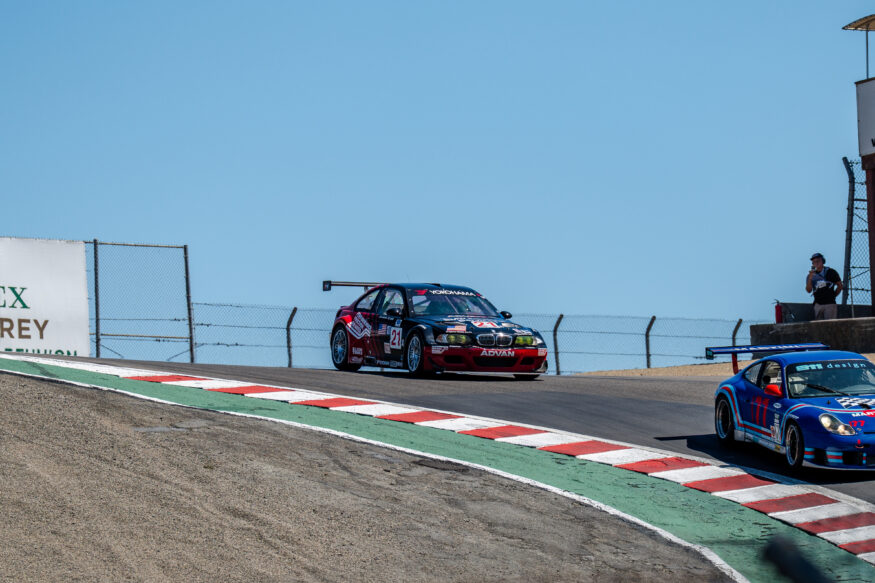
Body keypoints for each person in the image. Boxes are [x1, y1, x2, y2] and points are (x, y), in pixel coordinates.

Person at [805, 252, 843, 320]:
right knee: (818, 327)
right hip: (818, 304)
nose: (816, 263)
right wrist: (810, 278)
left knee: (830, 326)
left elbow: (840, 286)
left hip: (830, 304)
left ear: (823, 261)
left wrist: (833, 296)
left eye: (818, 261)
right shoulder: (810, 275)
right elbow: (808, 290)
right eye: (814, 262)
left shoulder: (831, 272)